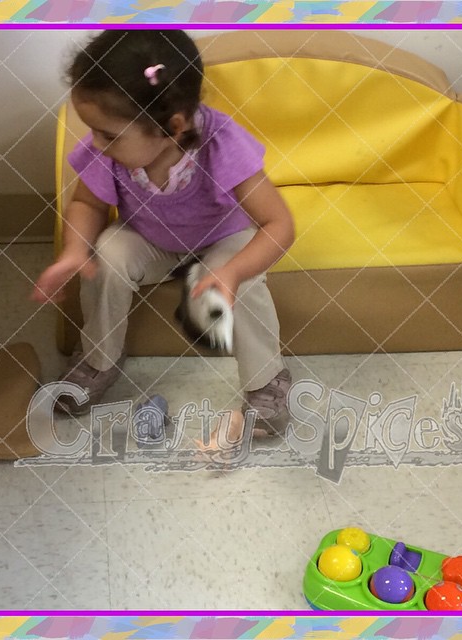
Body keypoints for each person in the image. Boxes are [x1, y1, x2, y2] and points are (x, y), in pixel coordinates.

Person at [32, 29, 295, 426]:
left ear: (172, 127)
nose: (97, 144)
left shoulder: (222, 143)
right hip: (150, 237)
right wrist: (74, 251)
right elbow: (88, 203)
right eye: (93, 130)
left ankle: (267, 380)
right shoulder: (110, 150)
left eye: (108, 135)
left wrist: (233, 271)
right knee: (106, 255)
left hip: (222, 237)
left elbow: (278, 224)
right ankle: (98, 359)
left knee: (243, 283)